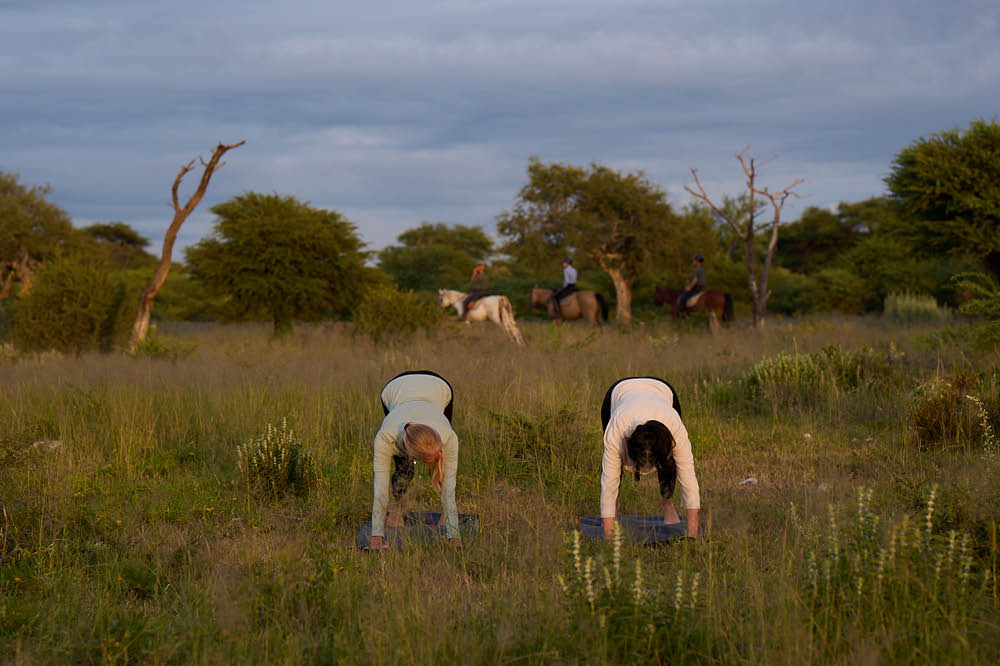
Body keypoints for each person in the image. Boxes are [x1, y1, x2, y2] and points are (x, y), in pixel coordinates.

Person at [599, 376, 700, 539]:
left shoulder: (674, 426)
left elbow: (688, 476)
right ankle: (615, 506)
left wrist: (692, 535)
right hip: (618, 392)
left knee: (670, 462)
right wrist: (608, 536)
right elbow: (608, 482)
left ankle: (668, 505)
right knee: (614, 467)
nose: (647, 470)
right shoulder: (617, 429)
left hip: (662, 389)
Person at [369, 371, 460, 549]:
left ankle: (445, 516)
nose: (440, 455)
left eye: (439, 450)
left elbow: (450, 487)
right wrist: (376, 539)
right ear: (418, 456)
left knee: (442, 466)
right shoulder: (385, 438)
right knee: (404, 465)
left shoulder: (448, 436)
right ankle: (396, 511)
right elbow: (380, 491)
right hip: (395, 388)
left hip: (438, 386)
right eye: (433, 455)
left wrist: (454, 537)